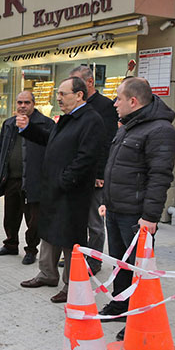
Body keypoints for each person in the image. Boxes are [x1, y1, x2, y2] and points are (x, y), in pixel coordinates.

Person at [97, 77, 175, 341]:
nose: (114, 103)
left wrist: (150, 217)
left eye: (118, 98)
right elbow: (116, 167)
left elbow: (160, 176)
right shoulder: (128, 127)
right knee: (120, 262)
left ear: (133, 101)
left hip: (137, 214)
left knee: (137, 266)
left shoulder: (160, 130)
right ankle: (120, 305)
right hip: (116, 208)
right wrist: (106, 201)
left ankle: (136, 316)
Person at [17, 76, 103, 303]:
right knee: (49, 232)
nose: (58, 98)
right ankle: (47, 274)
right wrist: (29, 130)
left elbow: (86, 157)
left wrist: (65, 180)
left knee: (69, 239)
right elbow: (51, 140)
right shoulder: (69, 118)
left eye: (63, 94)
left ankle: (71, 285)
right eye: (58, 94)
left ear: (79, 95)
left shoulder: (90, 120)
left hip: (71, 192)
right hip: (54, 188)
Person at [0, 91, 52, 265]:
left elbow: (51, 151)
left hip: (33, 180)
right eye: (19, 102)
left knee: (33, 220)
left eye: (26, 102)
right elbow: (0, 146)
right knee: (10, 215)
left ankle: (31, 249)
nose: (22, 106)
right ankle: (10, 244)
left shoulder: (45, 124)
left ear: (33, 104)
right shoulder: (9, 123)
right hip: (11, 179)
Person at [69, 66, 118, 275]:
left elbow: (106, 141)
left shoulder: (105, 106)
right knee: (76, 218)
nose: (74, 87)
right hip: (76, 173)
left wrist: (100, 173)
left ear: (90, 82)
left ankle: (95, 260)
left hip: (95, 175)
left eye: (77, 82)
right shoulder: (75, 105)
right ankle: (77, 256)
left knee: (95, 222)